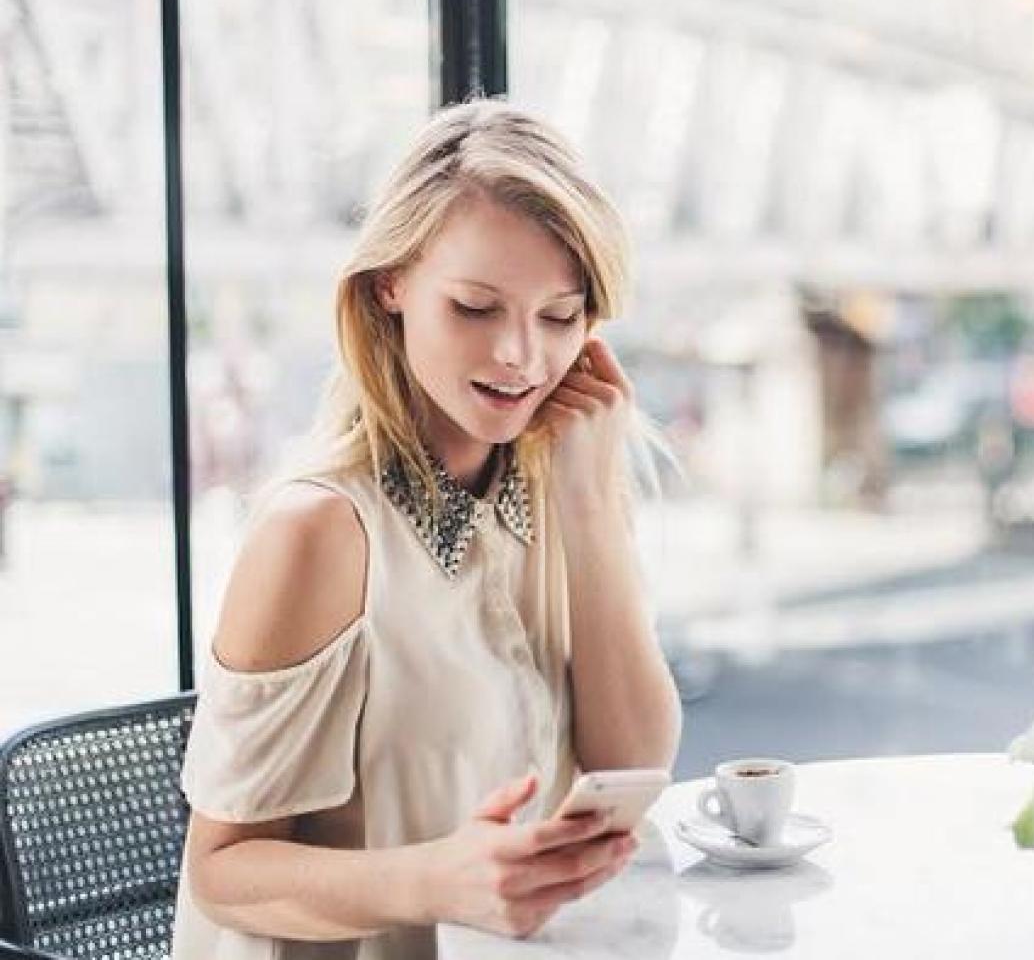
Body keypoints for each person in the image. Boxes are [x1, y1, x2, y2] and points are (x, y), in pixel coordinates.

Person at [171, 99, 683, 958]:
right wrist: (438, 881)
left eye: (559, 316)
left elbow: (631, 763)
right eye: (477, 307)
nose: (521, 356)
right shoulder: (321, 530)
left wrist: (591, 508)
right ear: (391, 284)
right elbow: (221, 870)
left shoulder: (562, 476)